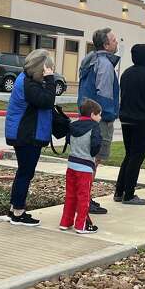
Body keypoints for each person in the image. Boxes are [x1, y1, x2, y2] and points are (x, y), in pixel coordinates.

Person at [5, 49, 58, 225]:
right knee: (25, 173)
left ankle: (14, 209)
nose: (49, 71)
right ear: (40, 68)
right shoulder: (28, 84)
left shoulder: (25, 80)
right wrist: (51, 80)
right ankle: (19, 212)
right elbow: (47, 101)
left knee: (23, 172)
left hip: (22, 133)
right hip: (26, 135)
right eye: (48, 68)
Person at [78, 28, 121, 215]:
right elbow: (104, 96)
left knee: (87, 159)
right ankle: (85, 200)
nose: (117, 42)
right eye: (114, 40)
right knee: (94, 160)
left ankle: (83, 198)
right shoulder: (104, 64)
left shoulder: (91, 60)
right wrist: (109, 116)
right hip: (99, 119)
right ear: (106, 44)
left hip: (87, 116)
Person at [114, 44, 145, 205]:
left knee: (129, 155)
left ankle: (119, 191)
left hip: (126, 119)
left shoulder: (126, 74)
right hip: (143, 122)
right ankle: (129, 194)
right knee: (136, 157)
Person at [60, 99, 103, 234]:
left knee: (70, 195)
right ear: (92, 115)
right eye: (99, 114)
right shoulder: (94, 127)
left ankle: (65, 222)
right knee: (83, 197)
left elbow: (68, 140)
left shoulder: (73, 125)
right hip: (85, 166)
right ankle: (81, 225)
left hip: (72, 164)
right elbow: (96, 144)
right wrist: (92, 154)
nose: (100, 117)